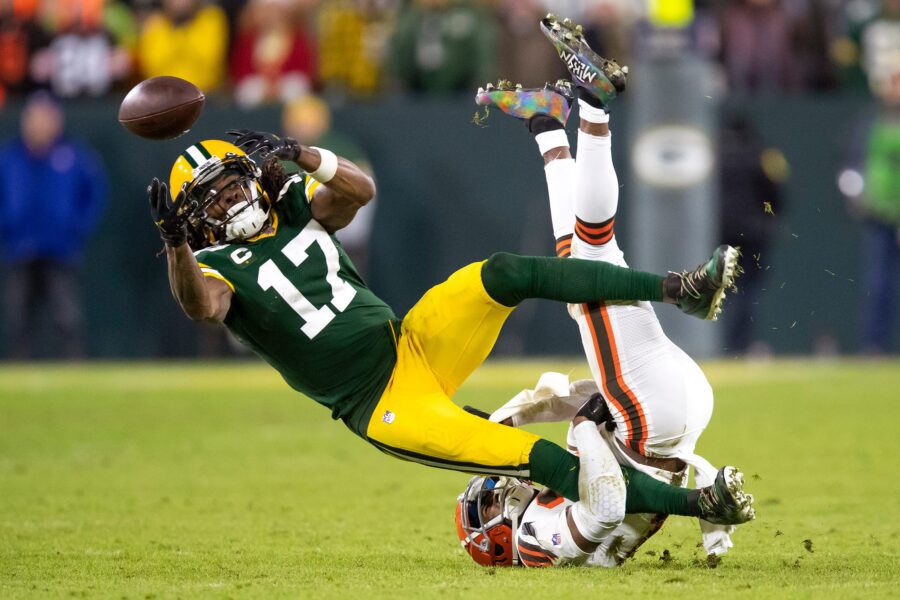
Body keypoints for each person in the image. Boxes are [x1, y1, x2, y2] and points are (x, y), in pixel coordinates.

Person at [146, 83, 738, 502]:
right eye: (214, 199)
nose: (230, 201)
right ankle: (697, 505)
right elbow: (203, 306)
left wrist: (300, 152)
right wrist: (176, 244)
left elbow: (359, 190)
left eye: (232, 185)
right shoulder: (213, 262)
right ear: (197, 221)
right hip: (381, 403)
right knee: (538, 458)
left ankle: (677, 287)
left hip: (410, 343)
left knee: (504, 271)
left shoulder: (294, 204)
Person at [470, 14, 741, 561]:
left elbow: (579, 399)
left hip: (671, 414)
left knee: (580, 265)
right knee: (593, 257)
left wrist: (503, 421)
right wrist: (587, 430)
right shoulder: (542, 546)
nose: (501, 499)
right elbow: (608, 506)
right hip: (651, 418)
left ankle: (547, 128)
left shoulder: (551, 522)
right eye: (492, 509)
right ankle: (593, 106)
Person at [455, 395, 755, 568]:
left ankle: (701, 501)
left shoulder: (534, 519)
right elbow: (599, 513)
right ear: (497, 541)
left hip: (632, 501)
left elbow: (544, 467)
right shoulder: (532, 539)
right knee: (579, 440)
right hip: (625, 504)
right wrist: (583, 426)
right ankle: (701, 503)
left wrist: (490, 425)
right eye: (488, 505)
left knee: (581, 435)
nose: (497, 493)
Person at [0, 92, 108, 359]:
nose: (39, 124)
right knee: (18, 315)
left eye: (45, 118)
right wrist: (8, 225)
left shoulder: (74, 155)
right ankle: (19, 366)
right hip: (19, 247)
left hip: (60, 247)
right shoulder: (9, 157)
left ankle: (74, 364)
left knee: (66, 315)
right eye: (34, 118)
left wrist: (75, 225)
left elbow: (94, 193)